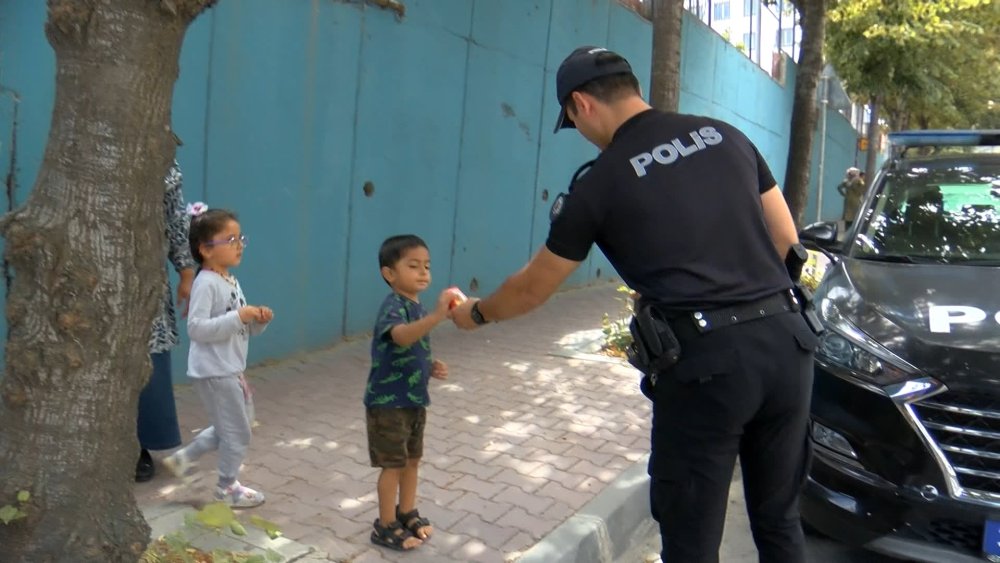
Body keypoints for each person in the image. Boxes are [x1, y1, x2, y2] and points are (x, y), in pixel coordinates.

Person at [451, 46, 818, 563]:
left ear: (581, 104)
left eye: (572, 120)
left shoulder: (598, 184)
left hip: (709, 369)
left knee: (691, 542)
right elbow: (785, 238)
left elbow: (534, 288)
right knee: (780, 522)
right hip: (788, 344)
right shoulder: (725, 135)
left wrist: (476, 313)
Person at [162, 207, 273, 508]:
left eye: (240, 238)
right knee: (237, 433)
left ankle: (184, 458)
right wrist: (239, 316)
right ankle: (227, 489)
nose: (239, 244)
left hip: (231, 369)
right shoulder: (206, 283)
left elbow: (242, 329)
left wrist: (257, 320)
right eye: (230, 239)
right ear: (205, 249)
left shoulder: (229, 281)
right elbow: (197, 329)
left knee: (238, 425)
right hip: (215, 372)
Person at [365, 235, 453, 551]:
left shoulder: (417, 306)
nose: (423, 273)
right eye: (413, 266)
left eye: (426, 266)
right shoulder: (394, 306)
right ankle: (385, 525)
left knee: (412, 460)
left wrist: (429, 365)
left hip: (414, 400)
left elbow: (413, 345)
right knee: (393, 464)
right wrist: (437, 317)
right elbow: (401, 337)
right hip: (388, 404)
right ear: (390, 274)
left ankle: (406, 512)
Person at [136, 160, 197, 482]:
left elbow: (175, 219)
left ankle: (140, 445)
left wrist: (186, 271)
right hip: (92, 282)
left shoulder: (161, 157)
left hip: (145, 278)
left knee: (148, 360)